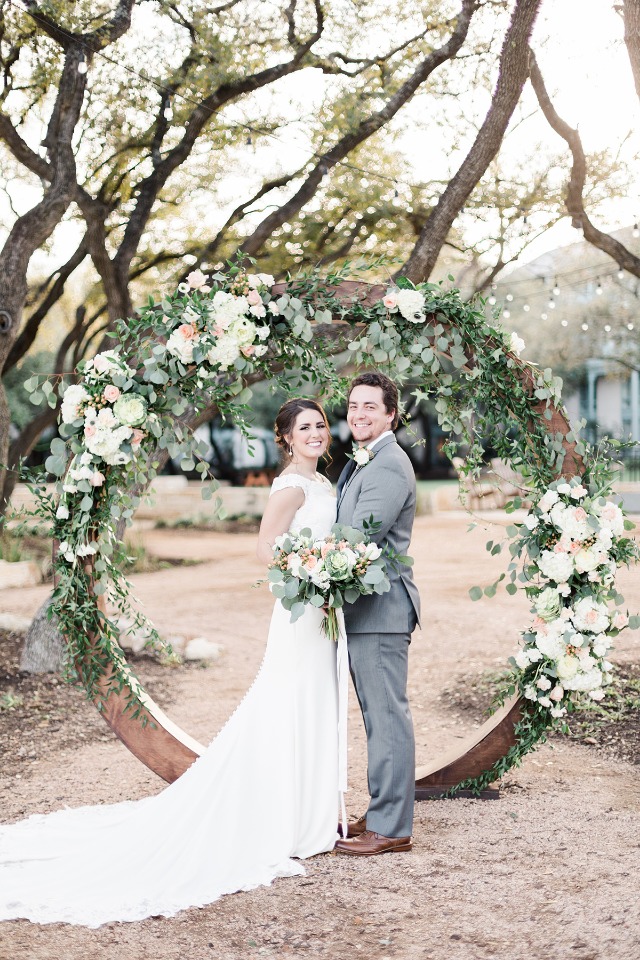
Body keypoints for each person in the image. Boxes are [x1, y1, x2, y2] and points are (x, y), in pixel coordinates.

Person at [0, 398, 343, 927]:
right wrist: (314, 573)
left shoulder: (324, 482)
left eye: (321, 425)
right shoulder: (292, 485)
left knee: (314, 704)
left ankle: (310, 815)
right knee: (287, 704)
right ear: (286, 438)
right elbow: (265, 548)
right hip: (301, 610)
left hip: (322, 612)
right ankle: (285, 820)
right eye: (305, 428)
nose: (316, 433)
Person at [334, 372, 420, 856]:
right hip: (366, 611)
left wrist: (312, 566)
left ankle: (391, 827)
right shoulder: (369, 459)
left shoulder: (388, 465)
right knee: (377, 716)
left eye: (370, 406)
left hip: (382, 608)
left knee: (387, 718)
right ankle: (383, 809)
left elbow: (358, 540)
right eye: (353, 406)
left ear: (391, 413)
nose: (359, 414)